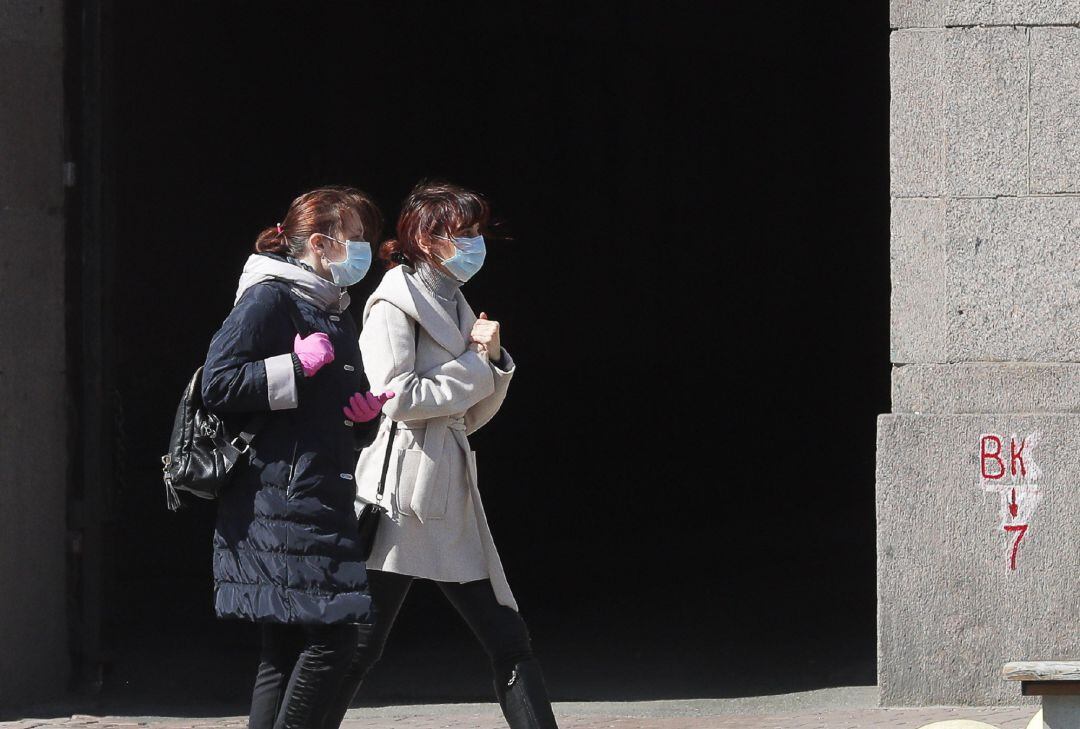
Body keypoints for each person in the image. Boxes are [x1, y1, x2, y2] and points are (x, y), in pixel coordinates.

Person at [322, 181, 559, 729]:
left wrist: (494, 363)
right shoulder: (393, 303)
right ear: (428, 239)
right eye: (464, 234)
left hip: (446, 484)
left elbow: (467, 416)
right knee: (363, 644)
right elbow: (397, 396)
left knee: (505, 637)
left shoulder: (452, 298)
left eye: (477, 233)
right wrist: (480, 365)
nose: (475, 244)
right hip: (404, 490)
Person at [201, 187, 393, 729]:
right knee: (336, 637)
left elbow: (322, 411)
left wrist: (363, 418)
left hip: (315, 492)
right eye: (355, 238)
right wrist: (292, 365)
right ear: (318, 242)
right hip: (279, 498)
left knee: (282, 651)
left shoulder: (329, 306)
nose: (363, 250)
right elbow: (217, 384)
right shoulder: (269, 298)